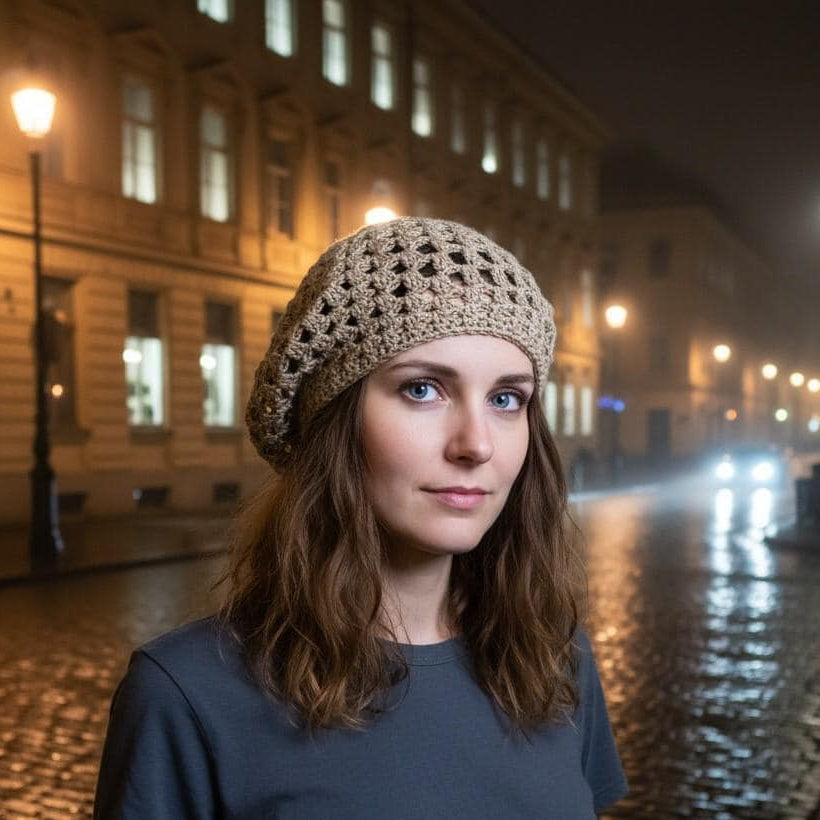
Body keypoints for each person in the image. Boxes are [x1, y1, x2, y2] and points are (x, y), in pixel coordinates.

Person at [94, 217, 627, 818]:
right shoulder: (187, 694)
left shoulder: (555, 661)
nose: (476, 444)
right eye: (423, 389)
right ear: (334, 421)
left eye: (507, 399)